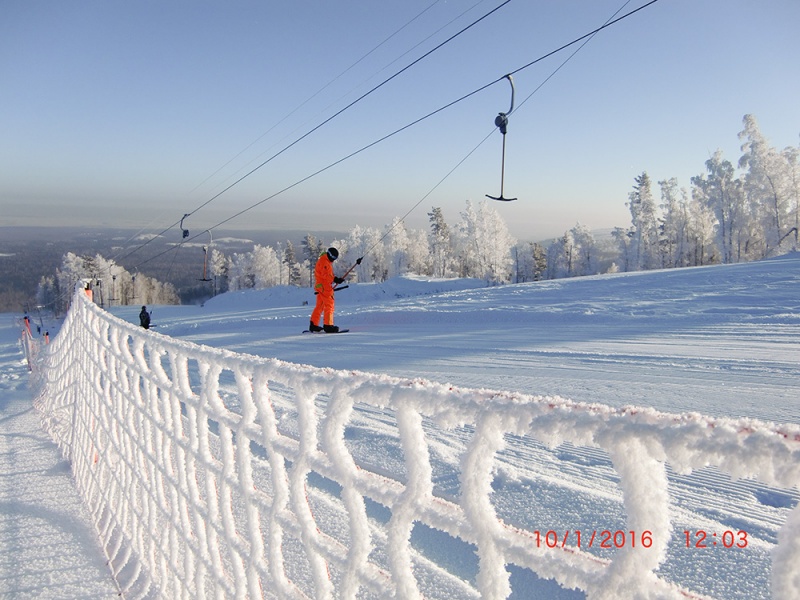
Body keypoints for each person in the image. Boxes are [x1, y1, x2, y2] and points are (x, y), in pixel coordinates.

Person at [309, 247, 344, 333]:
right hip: (324, 287)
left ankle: (313, 324)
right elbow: (326, 275)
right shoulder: (324, 262)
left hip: (321, 286)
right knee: (329, 305)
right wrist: (335, 279)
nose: (334, 260)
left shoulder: (324, 260)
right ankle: (328, 325)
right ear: (330, 255)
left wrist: (335, 279)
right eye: (333, 258)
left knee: (320, 305)